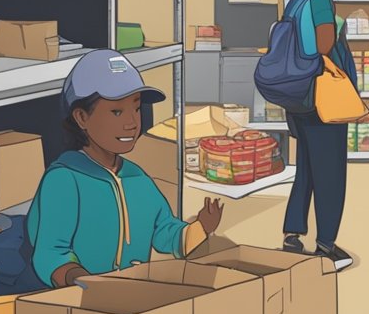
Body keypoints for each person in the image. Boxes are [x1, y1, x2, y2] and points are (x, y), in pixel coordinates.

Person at [28, 50, 223, 288]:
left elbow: (165, 233)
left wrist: (200, 228)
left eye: (137, 108)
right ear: (81, 118)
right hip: (81, 306)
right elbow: (50, 254)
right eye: (117, 111)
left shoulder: (138, 179)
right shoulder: (64, 180)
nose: (132, 123)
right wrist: (82, 281)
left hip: (131, 297)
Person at [278, 0, 356, 270]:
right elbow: (323, 45)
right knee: (331, 172)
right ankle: (326, 246)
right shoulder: (321, 0)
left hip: (299, 96)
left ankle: (292, 234)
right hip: (325, 96)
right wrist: (338, 28)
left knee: (307, 167)